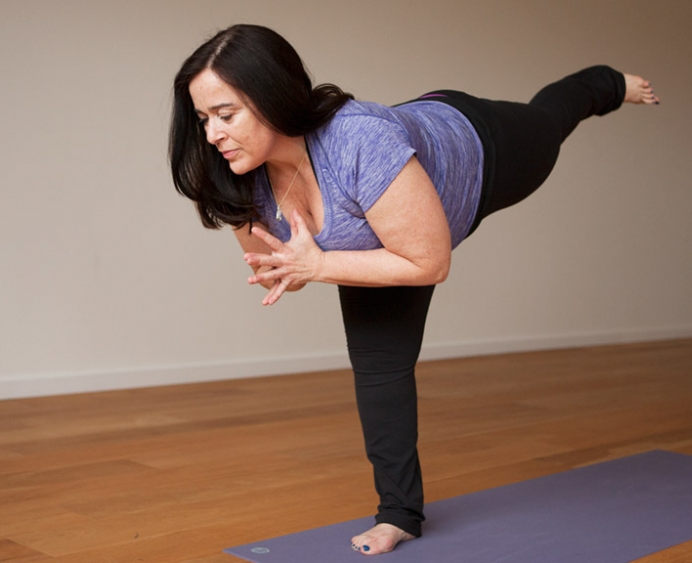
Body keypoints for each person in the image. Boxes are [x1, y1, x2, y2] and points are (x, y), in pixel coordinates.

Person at [169, 24, 659, 556]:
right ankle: (399, 514)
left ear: (272, 98)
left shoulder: (359, 141)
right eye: (203, 120)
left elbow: (429, 261)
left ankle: (604, 84)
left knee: (548, 122)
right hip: (382, 227)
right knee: (379, 366)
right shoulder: (241, 174)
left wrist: (319, 263)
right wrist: (287, 268)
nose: (213, 134)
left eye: (225, 114)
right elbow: (277, 258)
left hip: (477, 146)